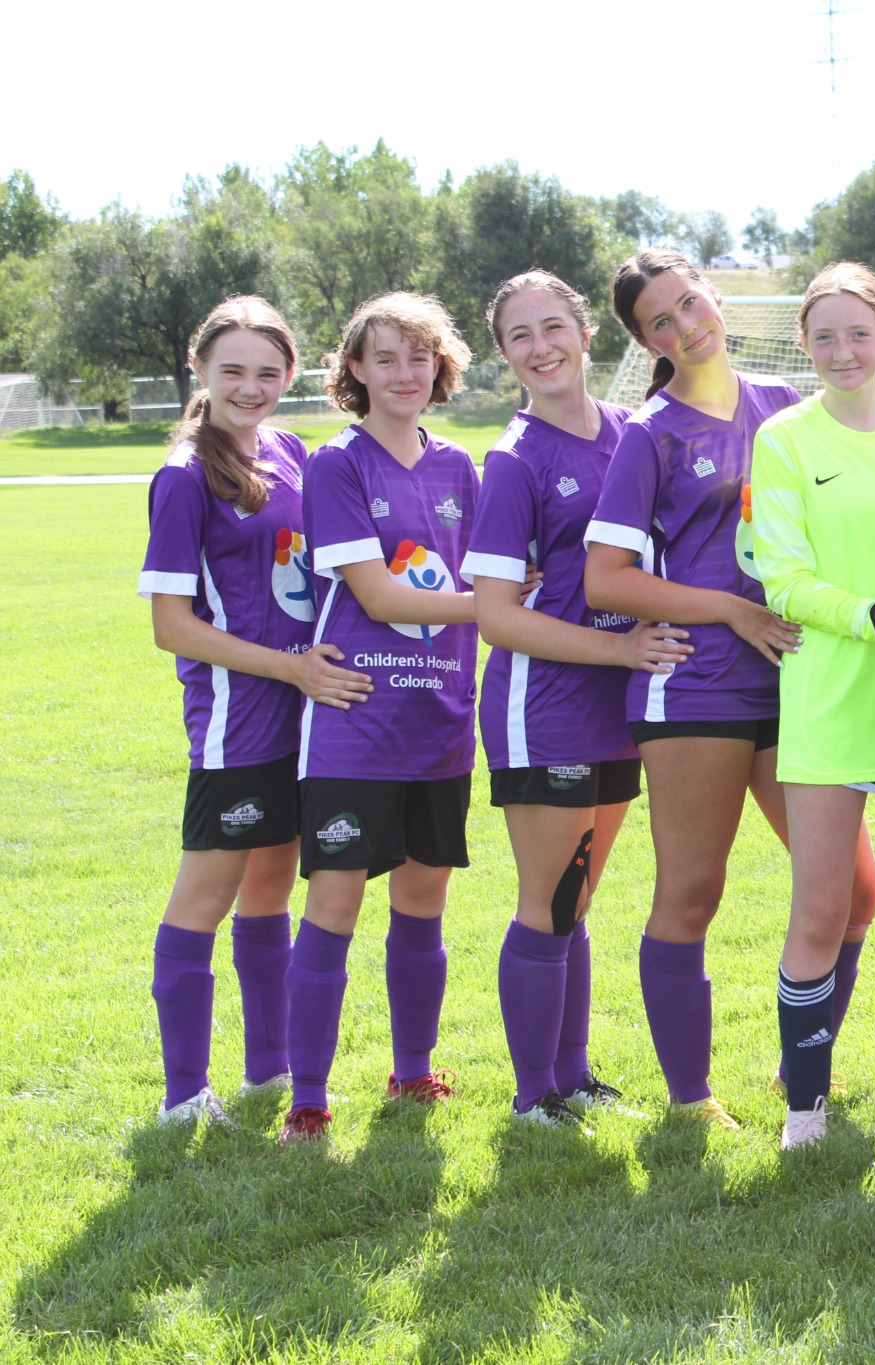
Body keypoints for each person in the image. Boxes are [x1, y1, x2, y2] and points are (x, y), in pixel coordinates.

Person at [584, 250, 875, 1128]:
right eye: (660, 323)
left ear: (713, 296)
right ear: (645, 344)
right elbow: (605, 578)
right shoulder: (651, 433)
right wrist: (729, 610)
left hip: (802, 680)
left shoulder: (788, 406)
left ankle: (804, 1072)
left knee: (858, 891)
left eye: (688, 303)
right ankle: (690, 1098)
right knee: (691, 890)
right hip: (699, 687)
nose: (685, 326)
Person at [464, 271, 690, 1128]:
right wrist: (621, 645)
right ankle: (532, 1098)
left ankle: (573, 1075)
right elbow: (494, 616)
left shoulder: (632, 432)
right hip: (543, 703)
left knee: (579, 893)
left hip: (615, 703)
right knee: (548, 894)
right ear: (505, 354)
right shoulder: (515, 457)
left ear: (588, 331)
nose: (541, 347)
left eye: (553, 326)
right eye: (520, 336)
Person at [138, 296, 371, 1127]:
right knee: (206, 894)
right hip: (238, 720)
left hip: (308, 716)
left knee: (272, 886)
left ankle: (268, 1072)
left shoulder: (290, 451)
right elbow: (173, 626)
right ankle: (181, 1096)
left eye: (268, 371)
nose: (250, 385)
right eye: (232, 369)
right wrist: (288, 668)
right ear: (199, 369)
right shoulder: (182, 475)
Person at [749, 261, 875, 1150]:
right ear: (803, 345)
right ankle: (806, 1105)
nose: (842, 350)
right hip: (829, 699)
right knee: (822, 912)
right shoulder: (784, 438)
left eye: (858, 332)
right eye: (823, 335)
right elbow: (781, 575)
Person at [281, 292, 480, 1143]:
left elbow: (484, 578)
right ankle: (309, 1097)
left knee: (424, 900)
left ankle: (410, 1072)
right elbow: (378, 593)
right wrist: (502, 611)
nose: (405, 373)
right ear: (353, 369)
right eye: (386, 357)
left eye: (420, 356)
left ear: (442, 366)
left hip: (440, 724)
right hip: (357, 724)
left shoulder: (461, 468)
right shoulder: (339, 465)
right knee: (333, 905)